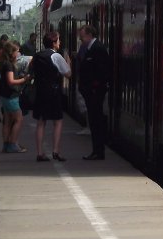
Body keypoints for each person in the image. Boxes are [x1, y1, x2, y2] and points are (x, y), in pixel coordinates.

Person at [29, 30, 71, 162]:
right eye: (58, 40)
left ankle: (39, 153)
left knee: (41, 122)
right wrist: (68, 61)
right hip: (53, 92)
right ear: (53, 43)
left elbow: (31, 71)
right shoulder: (56, 56)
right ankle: (56, 151)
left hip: (40, 92)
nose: (60, 42)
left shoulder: (37, 56)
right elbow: (68, 73)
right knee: (57, 121)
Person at [76, 24, 111, 160]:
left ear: (90, 35)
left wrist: (93, 86)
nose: (80, 39)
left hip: (95, 93)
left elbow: (102, 71)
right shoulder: (91, 48)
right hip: (92, 92)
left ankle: (98, 151)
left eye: (82, 36)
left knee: (96, 122)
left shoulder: (98, 49)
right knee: (94, 122)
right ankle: (96, 150)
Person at [0, 40, 30, 152]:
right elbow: (11, 81)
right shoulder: (9, 65)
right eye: (17, 51)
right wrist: (24, 79)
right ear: (12, 52)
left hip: (4, 95)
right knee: (19, 119)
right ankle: (13, 144)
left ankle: (6, 145)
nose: (18, 53)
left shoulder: (2, 63)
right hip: (11, 96)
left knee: (7, 120)